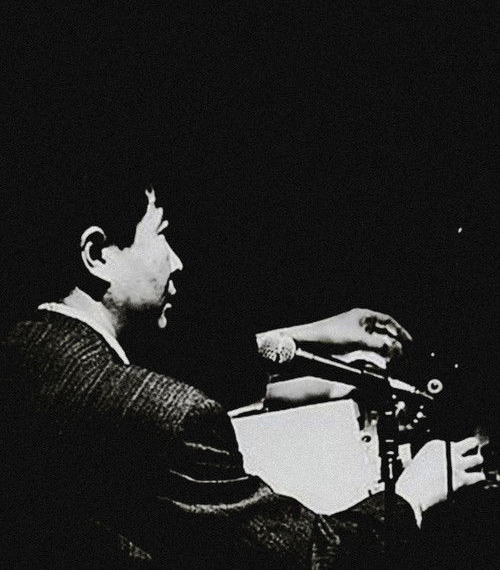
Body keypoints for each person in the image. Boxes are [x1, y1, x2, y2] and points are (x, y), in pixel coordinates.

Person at [0, 159, 485, 569]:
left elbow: (165, 376)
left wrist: (311, 339)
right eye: (161, 236)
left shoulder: (27, 347)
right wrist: (413, 495)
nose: (177, 261)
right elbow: (315, 556)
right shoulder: (164, 418)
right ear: (96, 254)